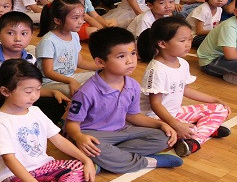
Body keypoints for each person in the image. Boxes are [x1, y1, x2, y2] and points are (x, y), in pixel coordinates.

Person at [0, 59, 95, 182]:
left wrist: (86, 160)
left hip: (43, 167)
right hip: (12, 176)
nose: (34, 96)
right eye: (28, 91)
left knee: (78, 166)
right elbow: (9, 160)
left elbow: (58, 140)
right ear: (5, 91)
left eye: (38, 89)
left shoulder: (35, 111)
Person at [65, 27, 185, 173]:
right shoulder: (86, 92)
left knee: (164, 137)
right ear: (100, 62)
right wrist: (79, 137)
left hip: (121, 131)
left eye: (133, 53)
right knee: (94, 147)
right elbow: (71, 124)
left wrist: (160, 124)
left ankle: (106, 160)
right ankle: (150, 162)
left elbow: (132, 116)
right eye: (121, 56)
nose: (130, 61)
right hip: (93, 135)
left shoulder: (132, 85)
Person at [137, 16, 231, 155]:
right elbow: (155, 104)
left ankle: (198, 132)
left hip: (174, 113)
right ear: (162, 44)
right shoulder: (156, 69)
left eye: (190, 39)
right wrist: (175, 124)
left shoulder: (182, 63)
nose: (188, 44)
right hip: (155, 118)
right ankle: (198, 136)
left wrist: (216, 100)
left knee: (220, 109)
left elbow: (186, 90)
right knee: (182, 130)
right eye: (182, 41)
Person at [36, 0, 98, 97]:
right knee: (78, 92)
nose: (81, 21)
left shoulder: (74, 35)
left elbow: (80, 62)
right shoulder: (48, 41)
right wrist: (71, 81)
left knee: (102, 75)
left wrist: (103, 67)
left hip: (70, 78)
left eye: (82, 17)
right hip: (50, 82)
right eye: (75, 18)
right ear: (58, 20)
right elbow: (48, 72)